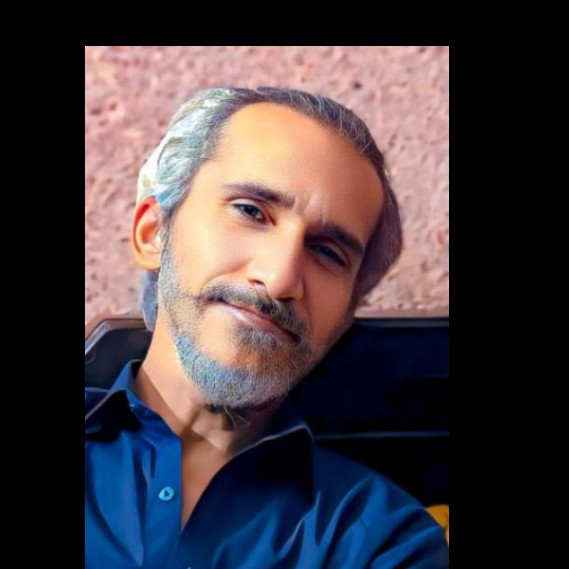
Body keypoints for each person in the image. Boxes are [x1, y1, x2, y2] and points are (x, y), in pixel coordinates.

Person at [85, 86, 449, 568]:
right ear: (153, 233)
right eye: (251, 211)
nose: (279, 278)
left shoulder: (382, 540)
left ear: (344, 315)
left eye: (327, 252)